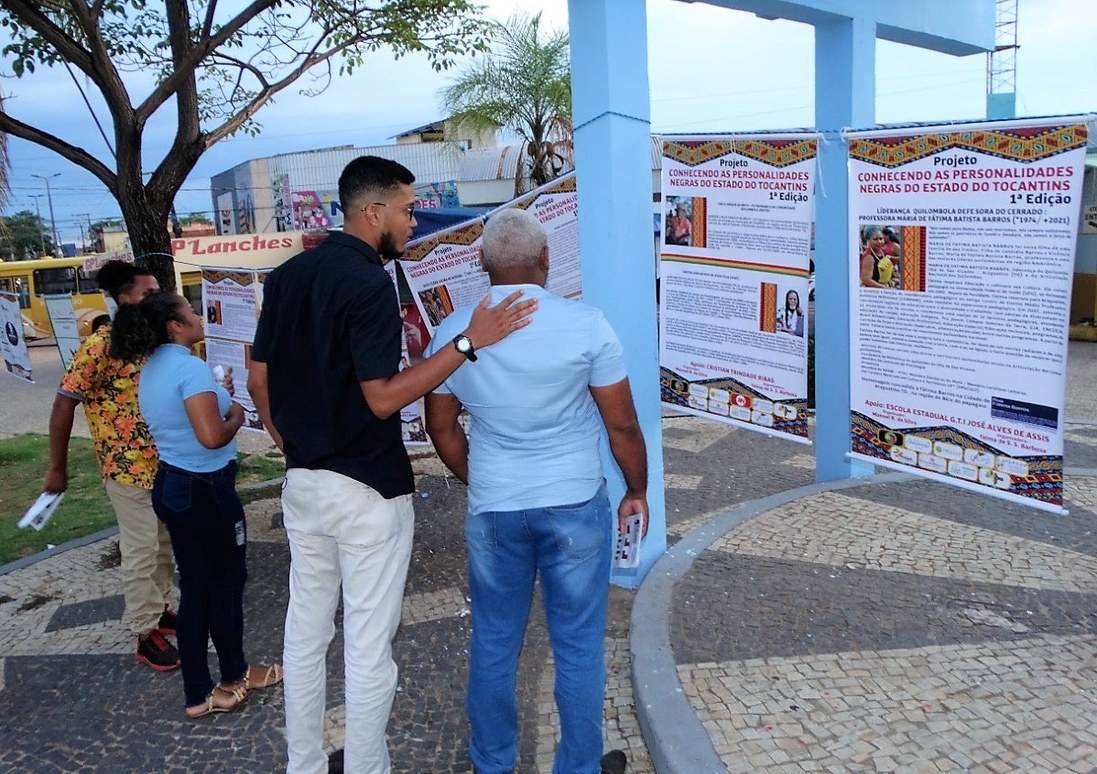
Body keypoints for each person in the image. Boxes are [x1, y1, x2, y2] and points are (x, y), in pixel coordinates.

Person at [247, 154, 537, 774]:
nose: (412, 222)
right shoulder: (369, 281)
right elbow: (382, 397)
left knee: (304, 635)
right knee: (367, 646)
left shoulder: (287, 277)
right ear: (372, 210)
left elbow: (258, 374)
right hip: (366, 491)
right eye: (406, 210)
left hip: (303, 485)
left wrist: (286, 438)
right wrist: (467, 342)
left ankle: (303, 764)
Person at [424, 208, 648, 774]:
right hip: (574, 502)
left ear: (481, 263)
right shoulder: (586, 324)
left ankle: (493, 764)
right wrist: (636, 489)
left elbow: (441, 427)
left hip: (496, 508)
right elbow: (621, 426)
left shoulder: (454, 334)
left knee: (495, 642)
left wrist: (481, 481)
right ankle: (579, 766)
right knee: (577, 646)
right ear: (547, 260)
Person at [111, 292, 282, 719]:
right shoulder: (187, 367)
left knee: (199, 589)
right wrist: (237, 417)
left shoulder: (153, 369)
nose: (198, 316)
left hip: (174, 485)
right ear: (174, 324)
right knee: (221, 586)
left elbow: (189, 418)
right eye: (190, 310)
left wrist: (218, 395)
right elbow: (210, 436)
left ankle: (215, 682)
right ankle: (220, 685)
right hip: (204, 489)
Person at [43, 260, 180, 672]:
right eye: (148, 292)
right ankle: (144, 633)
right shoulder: (101, 345)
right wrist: (57, 468)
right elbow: (65, 402)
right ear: (125, 299)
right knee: (140, 550)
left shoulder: (153, 342)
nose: (157, 297)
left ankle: (158, 610)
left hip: (166, 465)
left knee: (163, 547)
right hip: (127, 471)